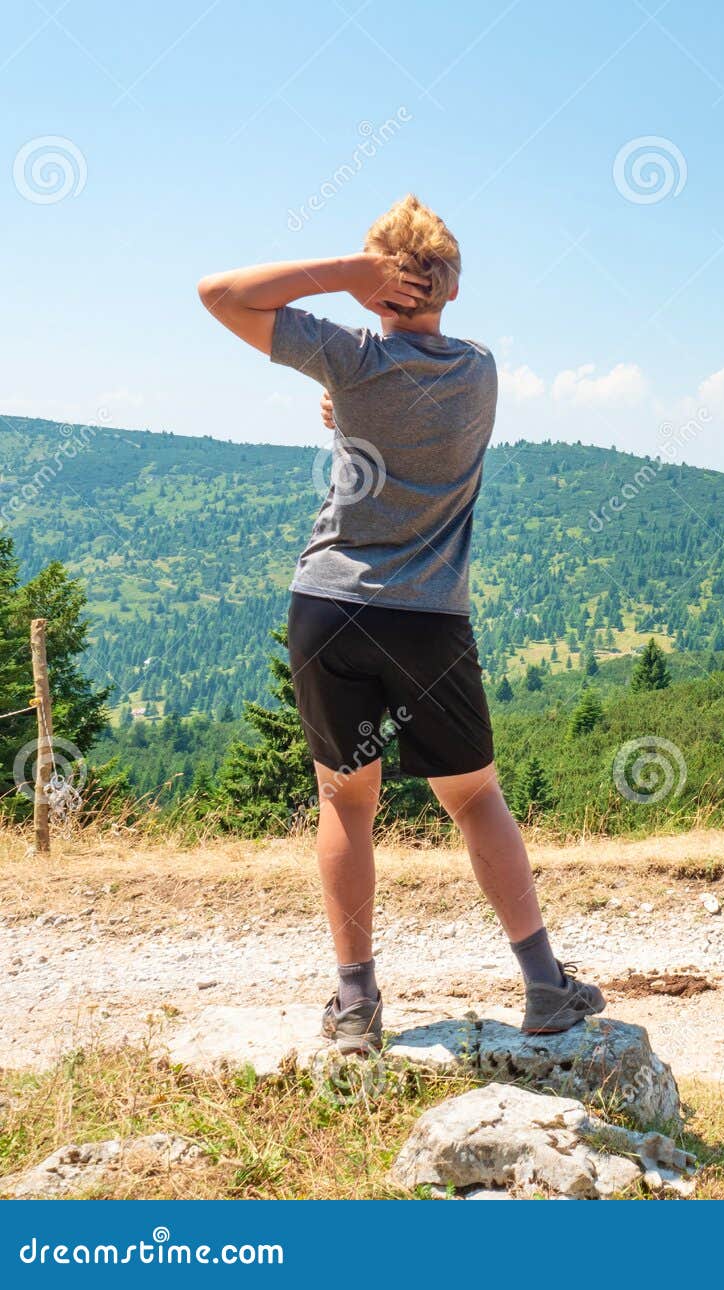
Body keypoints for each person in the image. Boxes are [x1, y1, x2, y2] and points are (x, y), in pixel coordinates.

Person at [197, 194, 603, 1054]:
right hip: (427, 618)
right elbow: (406, 401)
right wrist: (356, 379)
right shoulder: (481, 369)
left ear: (381, 283)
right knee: (476, 797)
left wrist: (349, 279)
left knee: (346, 804)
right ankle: (542, 987)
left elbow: (220, 293)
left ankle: (356, 1007)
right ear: (450, 286)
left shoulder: (347, 358)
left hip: (330, 606)